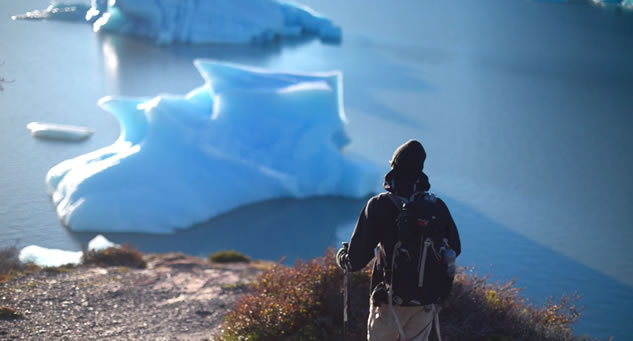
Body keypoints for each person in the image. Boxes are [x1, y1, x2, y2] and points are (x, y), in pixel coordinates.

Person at [336, 139, 461, 341]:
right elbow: (455, 247)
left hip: (388, 301)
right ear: (420, 170)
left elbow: (356, 260)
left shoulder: (379, 205)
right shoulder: (437, 207)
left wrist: (342, 258)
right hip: (425, 303)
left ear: (394, 167)